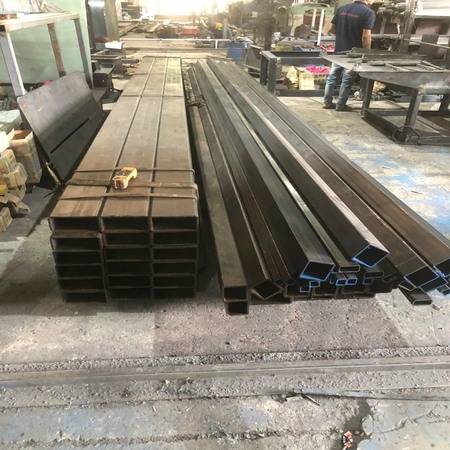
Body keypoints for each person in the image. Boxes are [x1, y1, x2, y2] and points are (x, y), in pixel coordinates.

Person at [323, 0, 375, 111]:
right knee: (346, 80)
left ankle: (327, 102)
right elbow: (366, 36)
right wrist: (367, 53)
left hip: (339, 51)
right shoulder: (368, 13)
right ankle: (340, 105)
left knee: (332, 77)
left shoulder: (342, 9)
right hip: (353, 54)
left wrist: (343, 36)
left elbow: (331, 29)